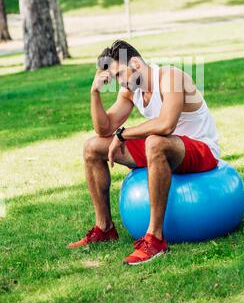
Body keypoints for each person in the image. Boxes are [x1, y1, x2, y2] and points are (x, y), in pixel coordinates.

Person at [68, 40, 220, 265]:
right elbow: (104, 128)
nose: (120, 82)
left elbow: (167, 124)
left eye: (120, 74)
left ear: (136, 63)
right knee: (92, 147)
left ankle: (155, 239)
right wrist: (94, 93)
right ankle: (105, 228)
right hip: (168, 146)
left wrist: (123, 134)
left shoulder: (171, 78)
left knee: (154, 142)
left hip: (201, 150)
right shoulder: (131, 91)